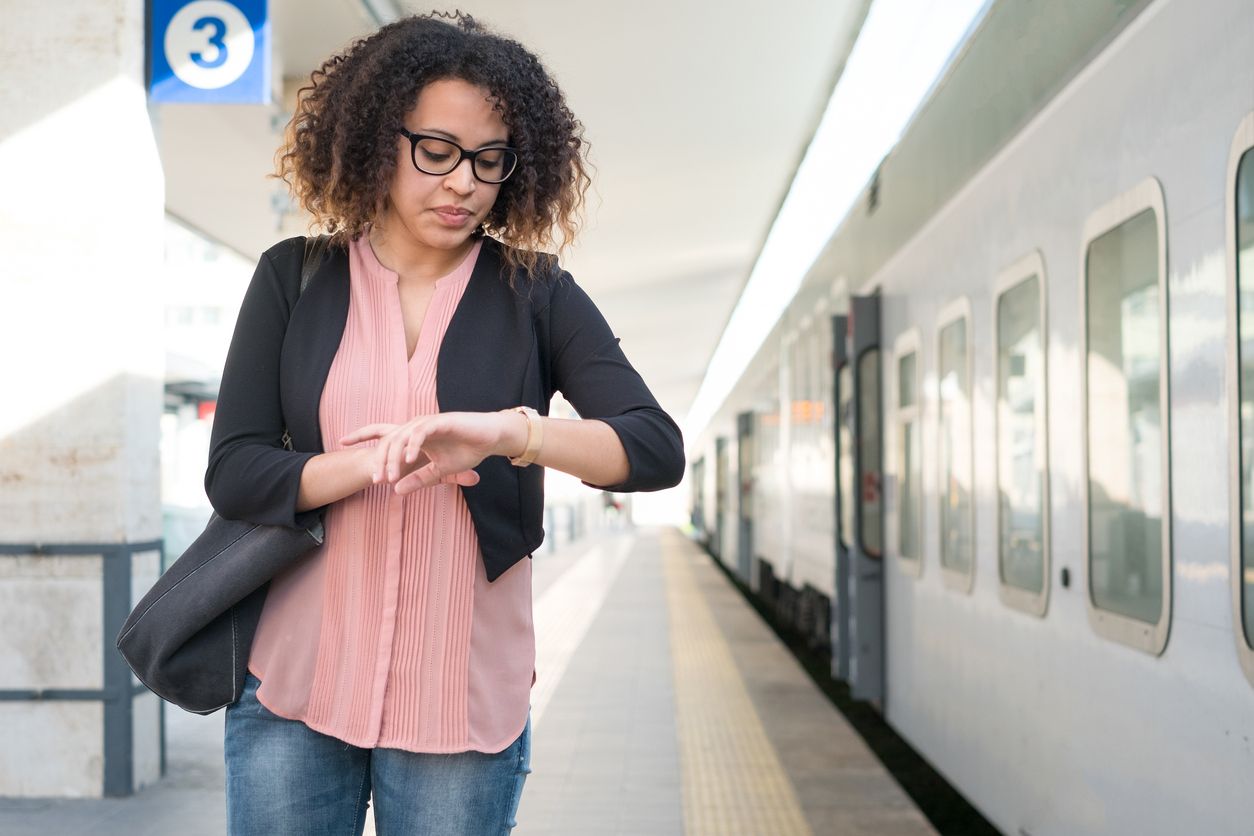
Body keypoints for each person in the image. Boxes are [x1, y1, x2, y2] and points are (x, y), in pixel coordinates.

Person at [204, 12, 684, 835]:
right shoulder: (294, 277)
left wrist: (512, 434)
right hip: (296, 687)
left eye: (488, 161)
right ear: (375, 140)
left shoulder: (537, 293)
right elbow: (236, 468)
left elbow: (653, 447)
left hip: (459, 703)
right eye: (436, 151)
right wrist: (370, 463)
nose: (462, 182)